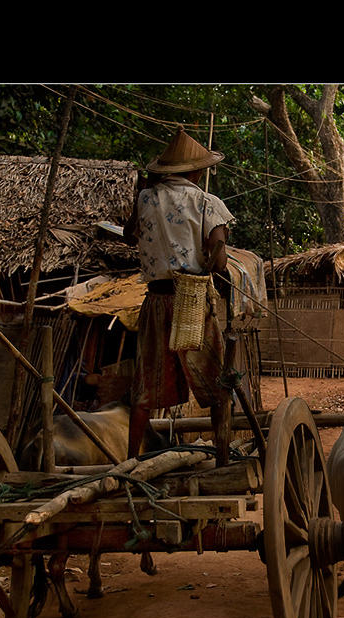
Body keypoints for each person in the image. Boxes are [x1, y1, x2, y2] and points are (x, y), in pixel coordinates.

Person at [123, 126, 234, 459]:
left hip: (155, 300)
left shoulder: (144, 198)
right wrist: (212, 255)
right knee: (215, 380)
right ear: (197, 171)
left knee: (145, 384)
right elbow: (219, 259)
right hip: (192, 300)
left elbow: (130, 235)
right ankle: (223, 453)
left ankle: (130, 459)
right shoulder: (206, 202)